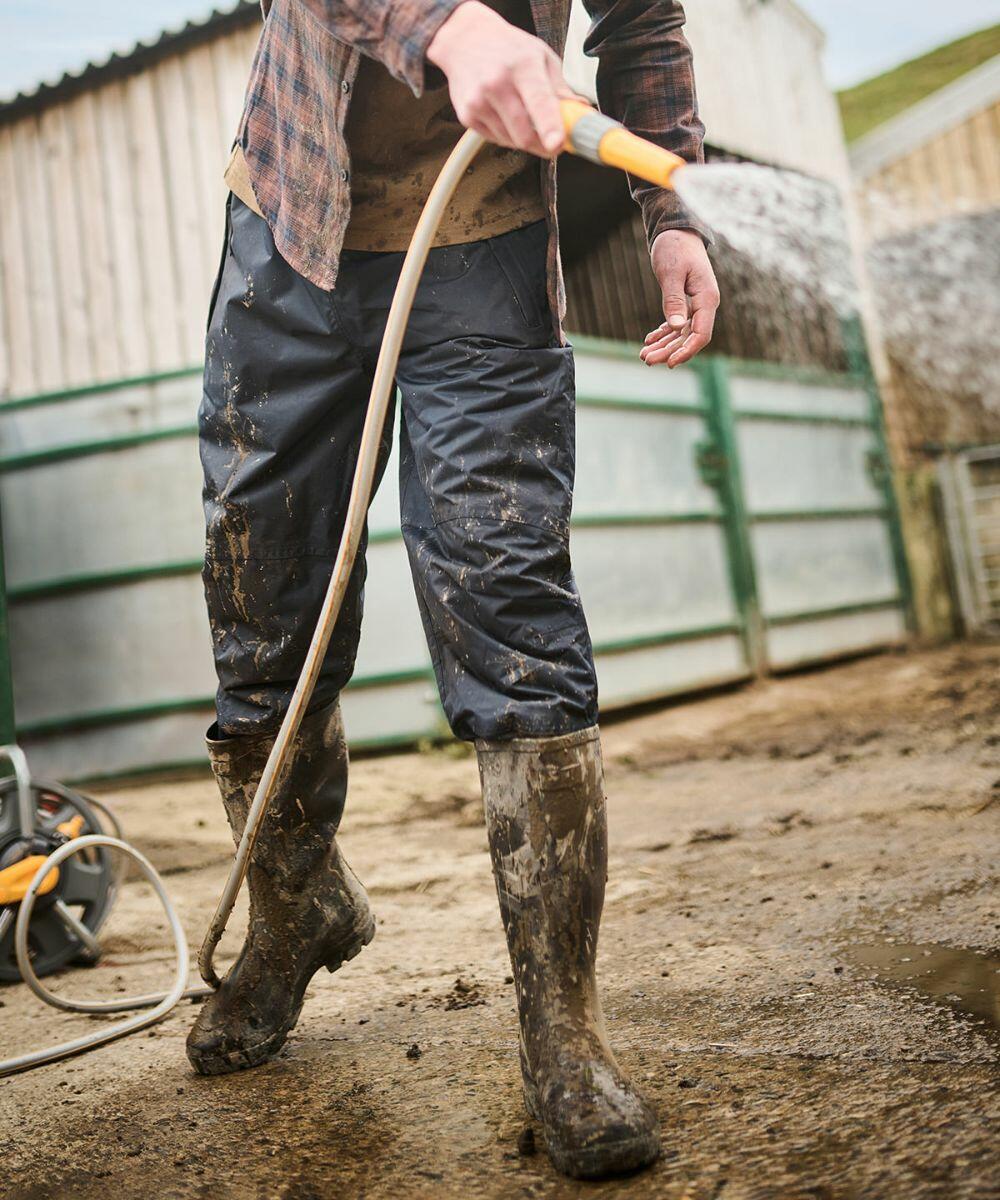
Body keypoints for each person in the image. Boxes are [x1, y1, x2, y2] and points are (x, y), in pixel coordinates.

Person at [188, 0, 720, 1179]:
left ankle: (562, 1034)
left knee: (511, 605)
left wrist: (672, 210)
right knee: (260, 607)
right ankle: (295, 912)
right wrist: (449, 25)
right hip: (292, 234)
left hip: (481, 251)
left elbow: (640, 27)